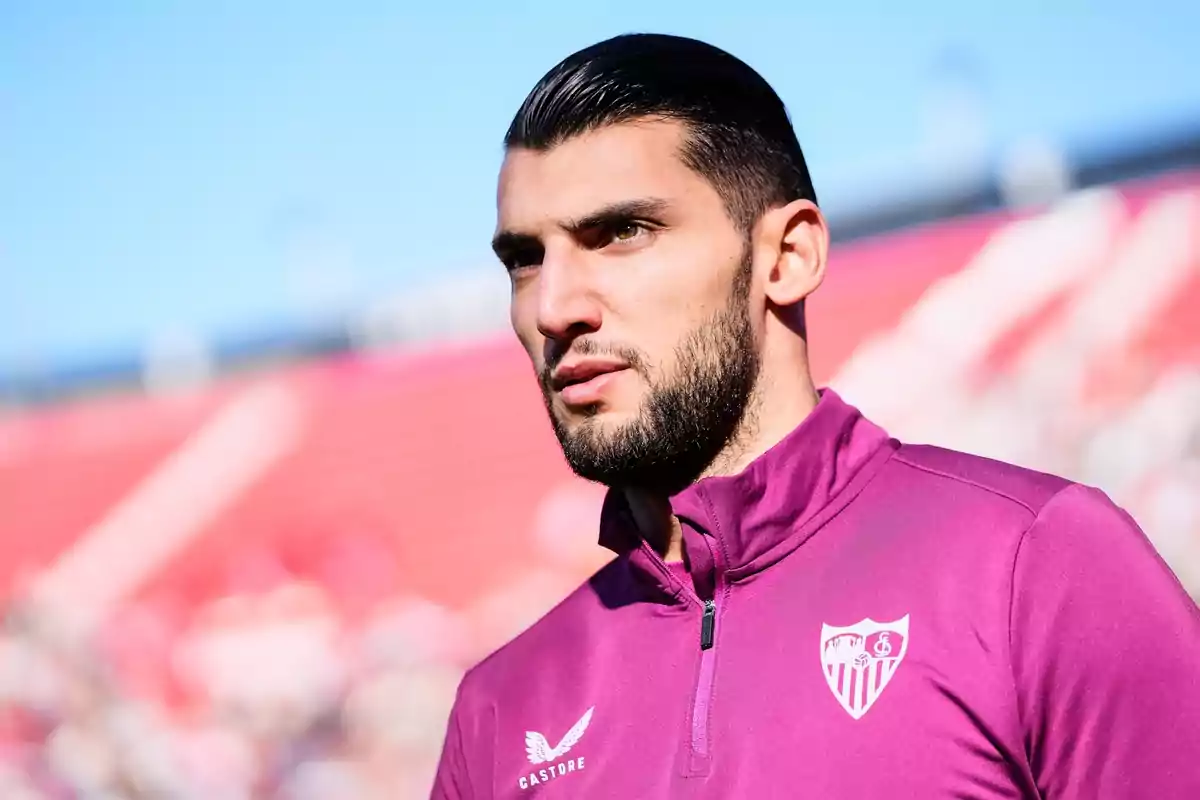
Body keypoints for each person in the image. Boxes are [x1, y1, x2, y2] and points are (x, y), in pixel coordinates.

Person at [430, 33, 1200, 799]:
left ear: (787, 256)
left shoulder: (1037, 566)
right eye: (526, 258)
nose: (555, 307)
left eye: (623, 233)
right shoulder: (501, 711)